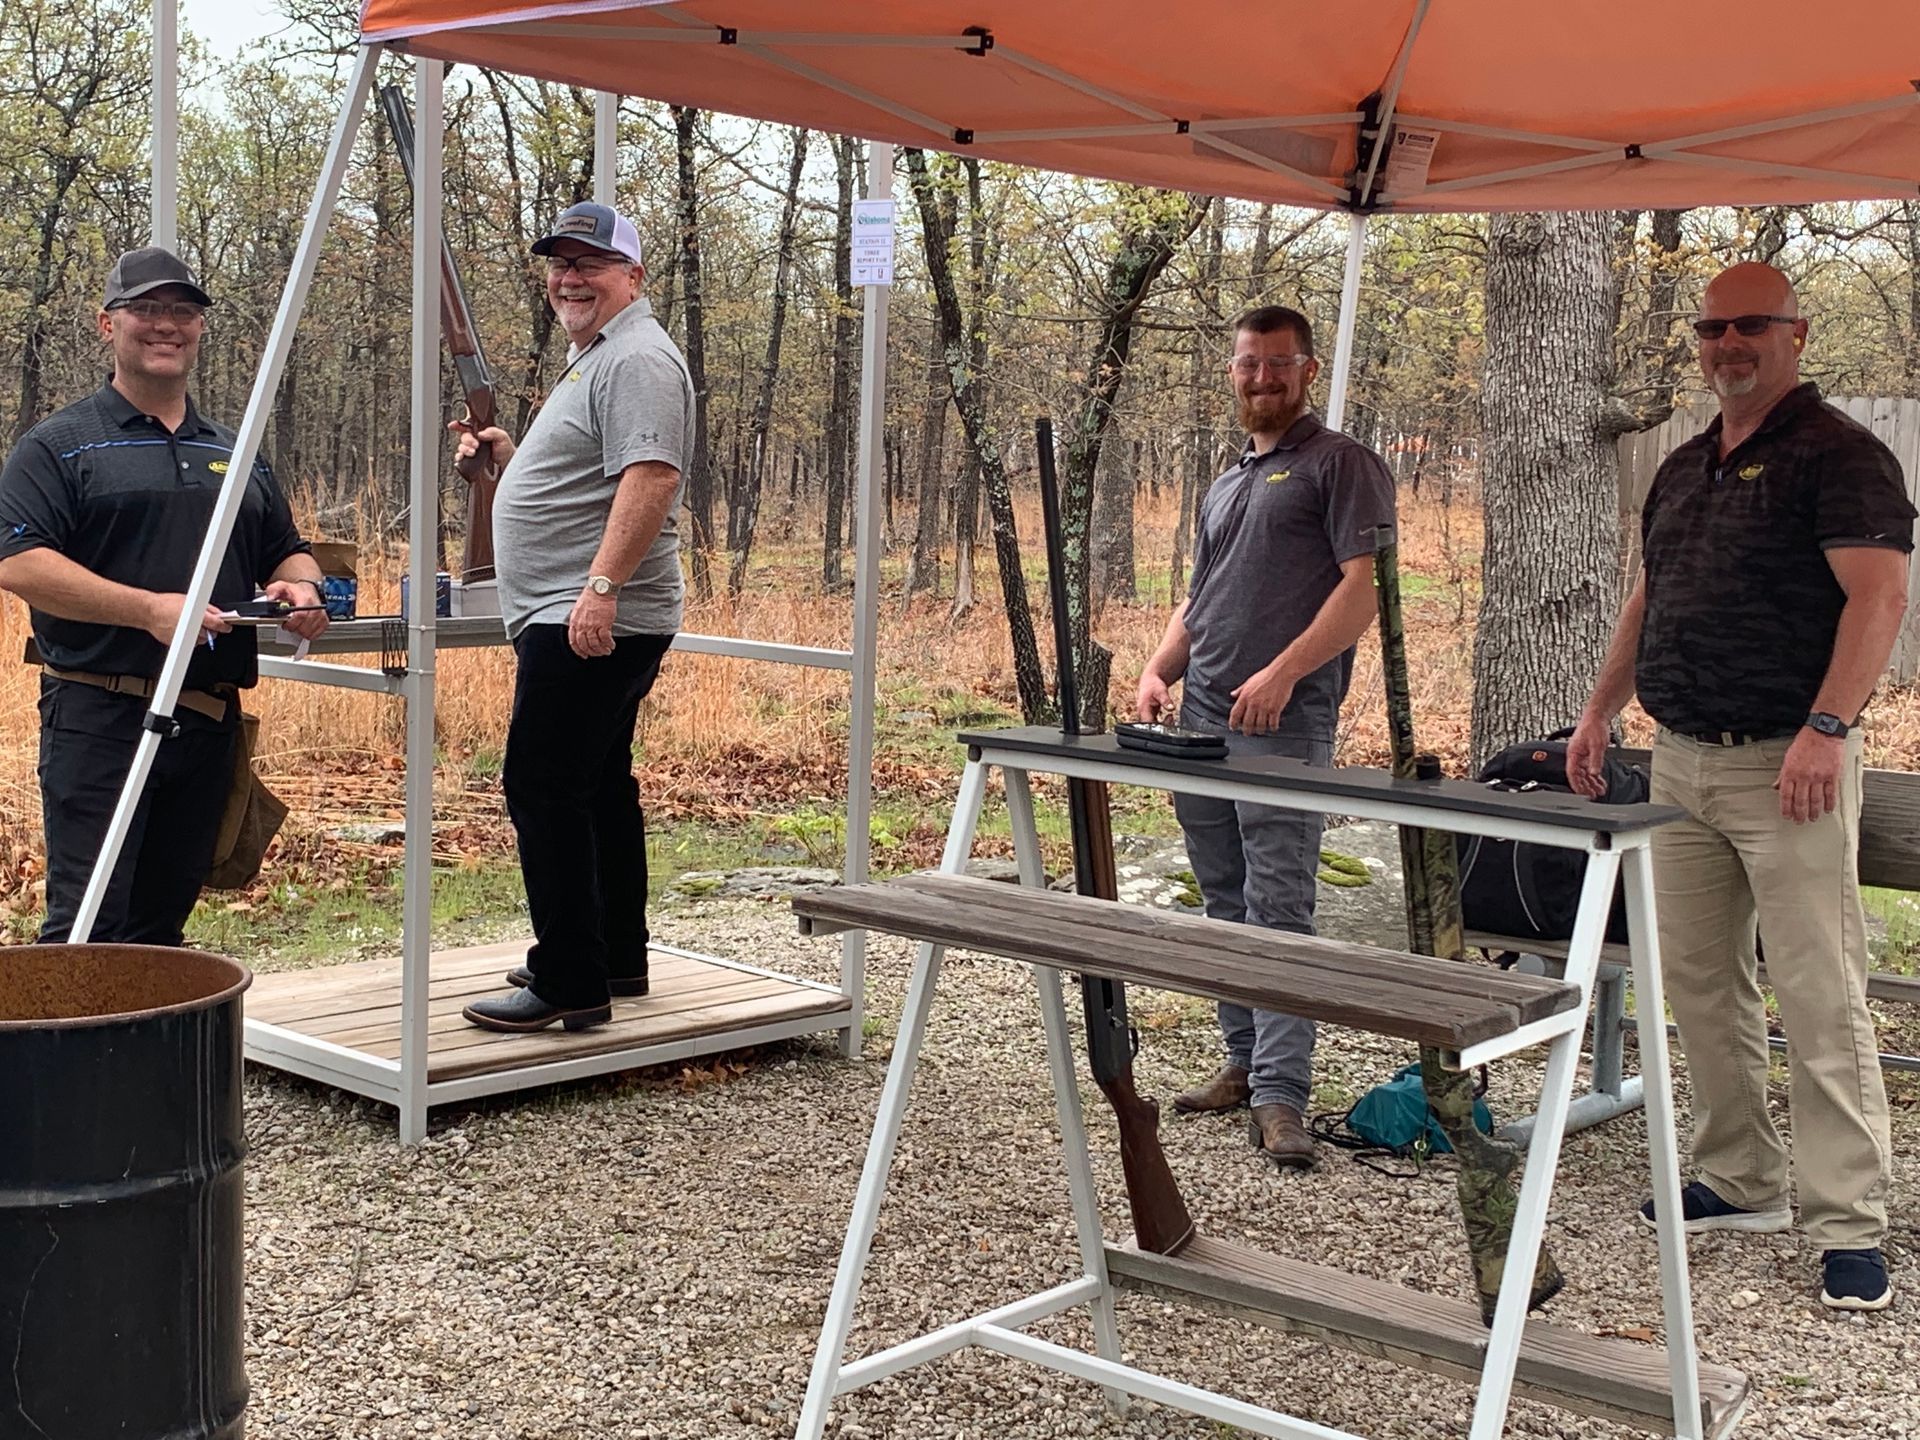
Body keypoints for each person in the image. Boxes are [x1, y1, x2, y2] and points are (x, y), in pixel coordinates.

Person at [1567, 261, 1915, 1312]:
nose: (1728, 345)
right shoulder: (1683, 465)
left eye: (1750, 326)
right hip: (1680, 761)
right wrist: (1597, 709)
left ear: (1796, 334)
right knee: (1702, 985)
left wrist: (1826, 728)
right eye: (1713, 328)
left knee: (1820, 995)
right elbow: (1649, 596)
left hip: (1788, 768)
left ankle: (1849, 1221)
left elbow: (1881, 598)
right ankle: (1739, 1174)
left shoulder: (1841, 456)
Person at [0, 246, 329, 945]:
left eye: (181, 311)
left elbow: (285, 547)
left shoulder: (233, 451)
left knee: (161, 931)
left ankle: (149, 1058)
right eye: (145, 309)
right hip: (100, 714)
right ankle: (70, 1057)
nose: (165, 325)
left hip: (207, 722)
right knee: (88, 927)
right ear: (106, 324)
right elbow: (18, 560)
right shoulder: (59, 446)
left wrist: (299, 585)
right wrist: (148, 610)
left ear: (199, 328)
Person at [1135, 304, 1397, 1167]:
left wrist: (1284, 671)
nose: (1261, 379)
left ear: (1307, 370)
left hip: (1283, 723)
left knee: (1279, 910)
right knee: (1222, 898)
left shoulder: (1343, 465)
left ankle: (1284, 1098)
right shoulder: (1226, 481)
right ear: (1233, 371)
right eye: (1249, 364)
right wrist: (1157, 671)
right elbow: (1198, 597)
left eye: (1277, 365)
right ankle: (1244, 1063)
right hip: (1201, 720)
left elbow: (1364, 592)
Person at [454, 202, 694, 1035]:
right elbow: (591, 477)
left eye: (590, 263)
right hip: (580, 607)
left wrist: (600, 588)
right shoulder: (596, 357)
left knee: (543, 785)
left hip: (587, 614)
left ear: (633, 275)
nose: (570, 278)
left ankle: (569, 980)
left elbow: (653, 477)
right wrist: (508, 464)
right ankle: (614, 956)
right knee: (596, 787)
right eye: (559, 263)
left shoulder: (637, 358)